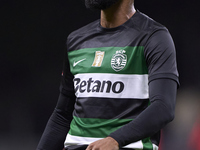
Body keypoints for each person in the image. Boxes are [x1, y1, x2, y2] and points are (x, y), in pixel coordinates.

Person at [37, 0, 179, 150]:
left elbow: (163, 107)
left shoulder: (154, 37)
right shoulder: (76, 41)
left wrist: (115, 140)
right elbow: (62, 116)